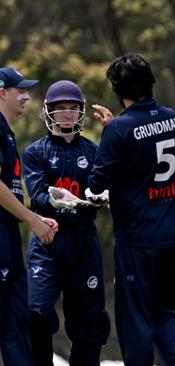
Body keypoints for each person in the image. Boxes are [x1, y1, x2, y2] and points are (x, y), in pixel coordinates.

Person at [88, 54, 175, 366]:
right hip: (173, 236)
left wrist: (112, 133)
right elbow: (146, 151)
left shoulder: (119, 129)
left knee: (135, 321)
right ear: (150, 84)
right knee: (165, 313)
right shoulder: (172, 118)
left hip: (138, 241)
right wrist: (115, 129)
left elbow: (96, 184)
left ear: (119, 92)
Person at [22, 80, 110, 366]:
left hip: (83, 240)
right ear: (47, 111)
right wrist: (57, 199)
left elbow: (104, 186)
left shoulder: (94, 152)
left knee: (90, 322)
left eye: (74, 109)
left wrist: (103, 195)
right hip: (48, 240)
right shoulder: (36, 152)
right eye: (61, 109)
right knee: (37, 313)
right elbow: (37, 194)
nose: (68, 115)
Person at [0, 67, 58, 365]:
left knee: (15, 325)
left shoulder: (7, 133)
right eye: (19, 90)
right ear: (2, 93)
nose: (25, 96)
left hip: (8, 236)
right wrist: (32, 219)